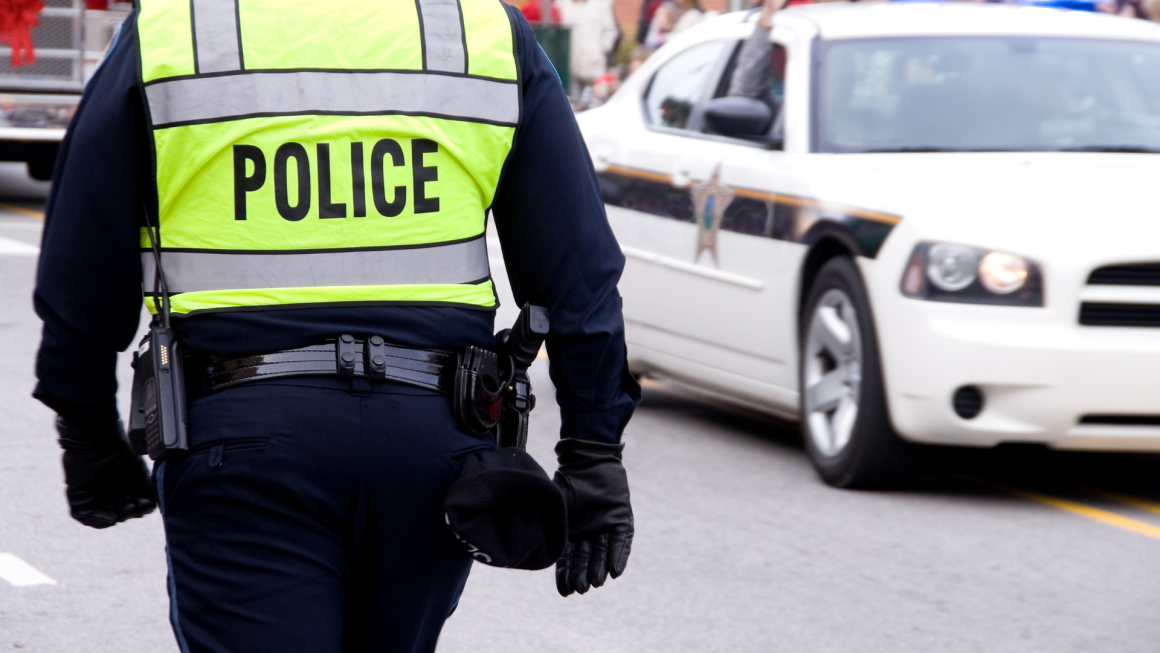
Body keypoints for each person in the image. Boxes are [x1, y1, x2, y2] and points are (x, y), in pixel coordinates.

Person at [33, 0, 640, 651]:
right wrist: (593, 449)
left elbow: (83, 251)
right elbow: (578, 272)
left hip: (243, 439)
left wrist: (86, 425)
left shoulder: (178, 27)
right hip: (431, 444)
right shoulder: (480, 31)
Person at [558, 0, 620, 95]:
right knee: (571, 99)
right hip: (571, 63)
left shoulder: (601, 5)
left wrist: (601, 49)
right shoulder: (563, 5)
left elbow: (610, 31)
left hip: (594, 62)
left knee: (596, 97)